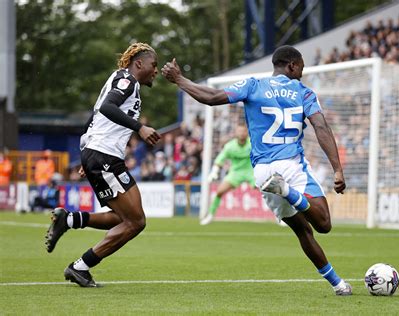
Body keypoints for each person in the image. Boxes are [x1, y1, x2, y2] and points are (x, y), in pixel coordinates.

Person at [162, 45, 351, 295]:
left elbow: (211, 97)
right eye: (301, 67)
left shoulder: (253, 85)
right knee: (323, 224)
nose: (302, 73)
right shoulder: (304, 93)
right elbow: (321, 128)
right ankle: (290, 193)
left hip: (263, 172)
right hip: (291, 164)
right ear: (292, 65)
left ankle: (338, 284)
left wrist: (180, 79)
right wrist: (337, 169)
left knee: (302, 230)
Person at [45, 43, 161, 287]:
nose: (156, 70)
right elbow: (107, 107)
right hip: (105, 156)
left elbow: (95, 116)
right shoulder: (127, 80)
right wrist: (140, 128)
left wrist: (85, 154)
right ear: (139, 63)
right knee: (136, 221)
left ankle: (68, 220)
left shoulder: (122, 81)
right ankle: (80, 267)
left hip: (99, 154)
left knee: (122, 218)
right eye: (154, 65)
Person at [200, 125, 255, 225]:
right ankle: (210, 215)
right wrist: (214, 172)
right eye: (240, 131)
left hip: (251, 172)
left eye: (244, 131)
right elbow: (220, 159)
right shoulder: (230, 146)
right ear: (236, 133)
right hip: (235, 172)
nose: (242, 133)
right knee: (219, 191)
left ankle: (282, 216)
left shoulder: (253, 143)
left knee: (269, 190)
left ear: (247, 132)